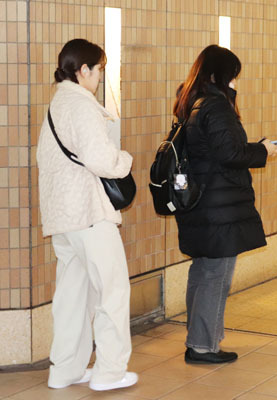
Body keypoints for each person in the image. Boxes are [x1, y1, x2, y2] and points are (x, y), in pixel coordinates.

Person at [37, 39, 138, 390]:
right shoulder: (82, 106)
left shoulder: (57, 105)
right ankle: (110, 372)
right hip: (89, 214)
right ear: (84, 70)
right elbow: (101, 159)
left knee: (72, 298)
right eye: (99, 70)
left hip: (62, 218)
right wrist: (125, 160)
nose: (99, 78)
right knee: (111, 291)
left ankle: (64, 370)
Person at [172, 44, 277, 364]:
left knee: (203, 270)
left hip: (201, 201)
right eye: (233, 77)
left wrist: (251, 148)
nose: (236, 83)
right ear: (220, 76)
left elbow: (217, 148)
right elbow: (228, 155)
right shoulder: (214, 106)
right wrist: (263, 152)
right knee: (216, 274)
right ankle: (204, 346)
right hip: (218, 204)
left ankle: (199, 340)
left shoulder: (191, 102)